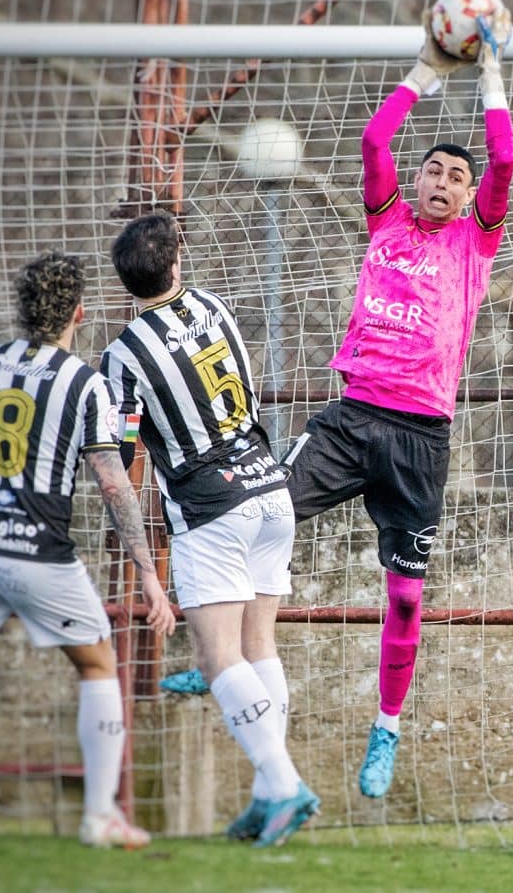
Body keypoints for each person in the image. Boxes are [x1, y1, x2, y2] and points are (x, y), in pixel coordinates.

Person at [279, 9, 513, 799]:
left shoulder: (475, 240)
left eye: (457, 174)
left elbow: (505, 159)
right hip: (351, 418)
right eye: (434, 172)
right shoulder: (384, 219)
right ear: (415, 182)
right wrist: (425, 68)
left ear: (469, 192)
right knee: (262, 514)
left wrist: (487, 73)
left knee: (407, 595)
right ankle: (230, 660)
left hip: (421, 435)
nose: (443, 181)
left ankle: (387, 728)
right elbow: (374, 143)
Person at [0, 251, 174, 851]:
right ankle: (99, 817)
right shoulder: (85, 383)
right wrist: (148, 575)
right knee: (97, 666)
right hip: (39, 553)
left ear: (21, 310)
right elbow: (115, 485)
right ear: (78, 312)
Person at [101, 212, 316, 847]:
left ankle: (284, 786)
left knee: (218, 655)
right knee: (260, 649)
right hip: (270, 489)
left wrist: (141, 556)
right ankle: (265, 797)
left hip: (209, 507)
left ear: (125, 282)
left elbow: (123, 454)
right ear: (174, 266)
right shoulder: (213, 305)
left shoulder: (123, 355)